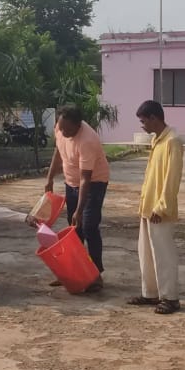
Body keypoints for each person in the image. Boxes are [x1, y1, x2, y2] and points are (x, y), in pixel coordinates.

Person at [44, 104, 110, 291]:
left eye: (67, 129)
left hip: (94, 184)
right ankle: (74, 271)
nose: (63, 132)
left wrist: (79, 210)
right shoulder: (60, 128)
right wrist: (49, 178)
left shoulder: (87, 140)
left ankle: (96, 274)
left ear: (78, 125)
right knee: (74, 229)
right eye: (61, 127)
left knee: (88, 226)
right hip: (71, 182)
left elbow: (85, 178)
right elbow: (58, 151)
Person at [128, 100, 183, 315]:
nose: (142, 126)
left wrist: (162, 207)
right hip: (148, 206)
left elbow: (172, 178)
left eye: (144, 121)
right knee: (146, 255)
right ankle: (150, 293)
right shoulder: (157, 140)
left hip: (160, 210)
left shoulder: (172, 141)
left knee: (163, 255)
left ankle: (170, 297)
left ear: (154, 118)